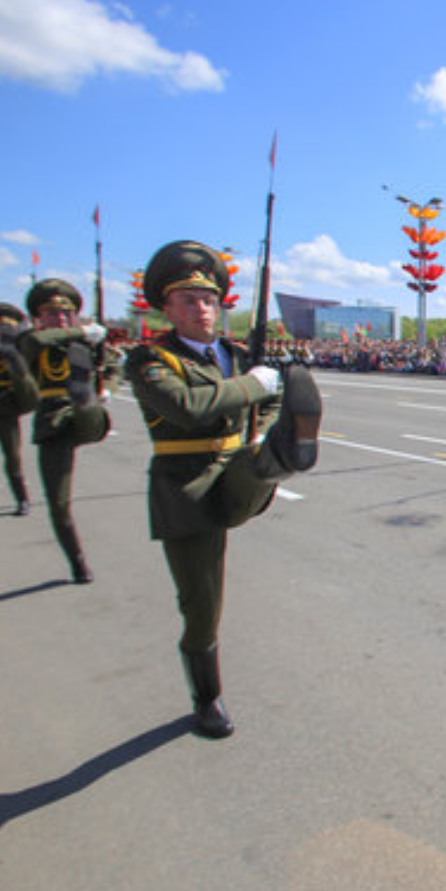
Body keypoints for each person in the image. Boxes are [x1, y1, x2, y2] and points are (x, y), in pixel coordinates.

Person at [124, 240, 322, 739]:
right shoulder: (150, 360)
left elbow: (268, 400)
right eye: (188, 299)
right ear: (166, 308)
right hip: (186, 490)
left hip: (236, 469)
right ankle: (206, 696)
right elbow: (190, 407)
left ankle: (285, 452)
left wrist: (267, 417)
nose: (201, 308)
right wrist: (257, 386)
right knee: (201, 605)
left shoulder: (236, 356)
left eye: (208, 299)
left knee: (258, 460)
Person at [17, 280, 112, 583]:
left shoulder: (85, 344)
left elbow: (111, 368)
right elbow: (33, 345)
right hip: (52, 421)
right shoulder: (30, 342)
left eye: (66, 313)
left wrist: (106, 388)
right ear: (38, 318)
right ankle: (78, 561)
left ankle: (87, 402)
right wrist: (82, 331)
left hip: (85, 416)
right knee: (58, 502)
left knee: (87, 406)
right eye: (51, 313)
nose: (59, 318)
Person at [0, 302, 40, 515]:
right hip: (2, 402)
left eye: (7, 326)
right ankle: (22, 498)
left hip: (29, 395)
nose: (2, 330)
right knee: (12, 453)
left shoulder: (24, 345)